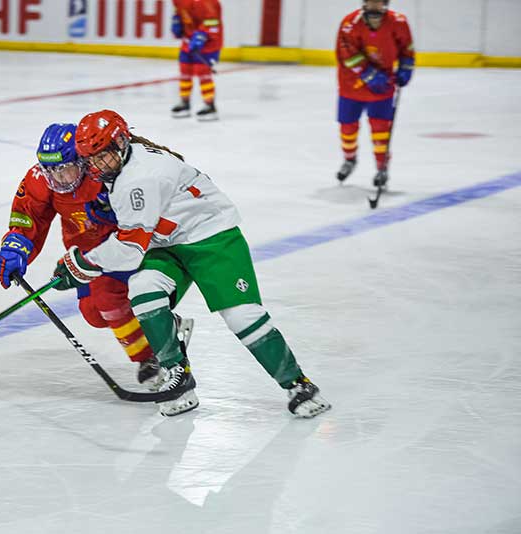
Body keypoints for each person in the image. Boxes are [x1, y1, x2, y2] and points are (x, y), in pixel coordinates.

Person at [53, 109, 331, 418]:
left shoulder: (139, 178)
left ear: (120, 143)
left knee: (241, 317)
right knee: (143, 289)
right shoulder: (123, 165)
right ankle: (178, 376)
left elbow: (130, 249)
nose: (95, 165)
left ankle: (299, 385)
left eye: (101, 156)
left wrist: (83, 265)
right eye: (90, 159)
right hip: (169, 243)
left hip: (212, 239)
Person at [0, 123, 193, 390]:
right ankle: (162, 325)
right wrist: (15, 248)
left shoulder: (106, 173)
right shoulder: (40, 180)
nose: (58, 180)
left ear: (82, 161)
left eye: (65, 170)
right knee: (93, 313)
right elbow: (28, 218)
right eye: (51, 172)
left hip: (126, 248)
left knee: (107, 298)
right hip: (84, 254)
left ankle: (151, 356)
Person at [335, 0, 415, 187]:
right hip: (351, 85)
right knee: (347, 126)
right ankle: (349, 159)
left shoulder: (398, 22)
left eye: (378, 2)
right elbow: (346, 54)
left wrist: (406, 68)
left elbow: (407, 49)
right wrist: (369, 75)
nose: (373, 6)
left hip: (383, 85)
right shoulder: (349, 24)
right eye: (370, 2)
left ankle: (382, 167)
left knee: (380, 128)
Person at [170, 0, 223, 121]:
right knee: (185, 71)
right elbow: (180, 11)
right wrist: (177, 20)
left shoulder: (206, 2)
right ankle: (185, 102)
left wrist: (202, 35)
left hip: (209, 44)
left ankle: (210, 105)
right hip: (188, 41)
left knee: (203, 72)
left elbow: (212, 21)